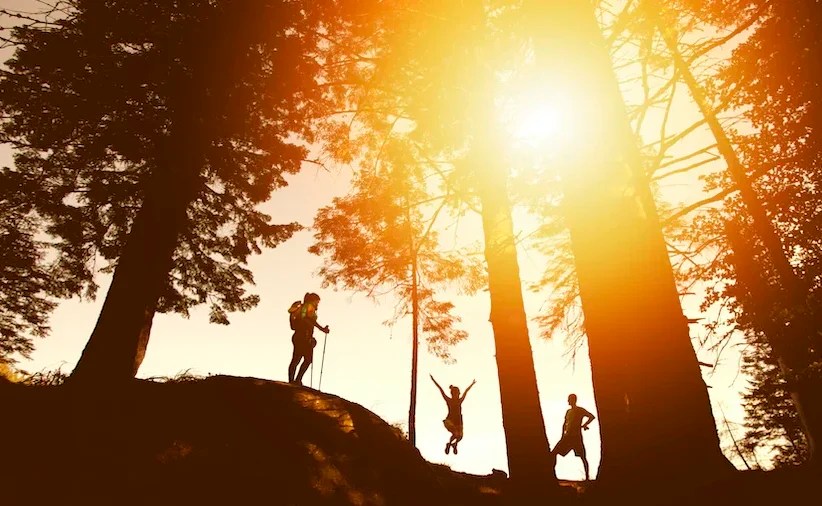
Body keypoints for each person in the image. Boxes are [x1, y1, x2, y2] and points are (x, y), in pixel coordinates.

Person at [287, 292, 329, 386]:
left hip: (298, 336)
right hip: (304, 336)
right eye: (317, 302)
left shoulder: (302, 308)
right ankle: (297, 380)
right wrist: (322, 329)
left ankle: (292, 380)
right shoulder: (309, 307)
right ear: (313, 300)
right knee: (306, 359)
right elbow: (310, 320)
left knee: (297, 359)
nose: (317, 304)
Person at [552, 393, 596, 480]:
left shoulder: (580, 410)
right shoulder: (568, 411)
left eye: (569, 399)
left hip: (576, 437)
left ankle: (587, 477)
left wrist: (584, 425)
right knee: (554, 453)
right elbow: (565, 424)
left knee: (583, 457)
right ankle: (553, 474)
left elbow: (591, 417)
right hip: (567, 437)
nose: (568, 401)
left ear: (573, 400)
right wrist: (562, 435)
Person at [430, 374, 476, 455]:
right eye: (456, 394)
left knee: (460, 437)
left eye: (458, 394)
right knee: (455, 434)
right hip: (450, 420)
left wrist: (472, 384)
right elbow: (441, 389)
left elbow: (466, 391)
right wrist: (433, 380)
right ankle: (450, 444)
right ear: (453, 394)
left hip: (459, 421)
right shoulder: (449, 400)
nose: (458, 395)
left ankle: (453, 444)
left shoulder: (460, 400)